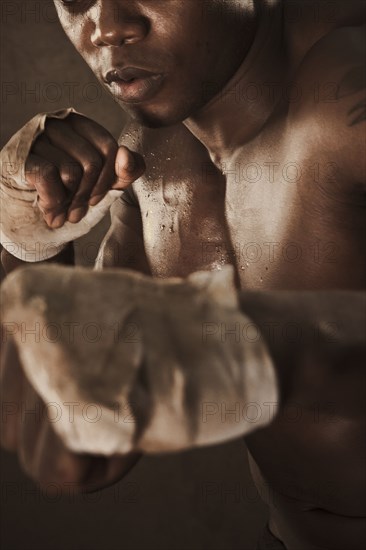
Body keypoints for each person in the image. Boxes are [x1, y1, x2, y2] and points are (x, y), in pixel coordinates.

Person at [1, 1, 365, 548]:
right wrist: (28, 236)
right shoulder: (151, 161)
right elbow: (75, 453)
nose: (106, 27)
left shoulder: (348, 87)